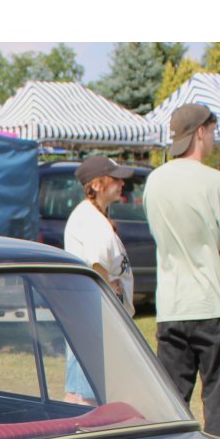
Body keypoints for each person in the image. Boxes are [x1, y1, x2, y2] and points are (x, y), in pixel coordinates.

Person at [144, 103, 220, 439]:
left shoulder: (154, 181)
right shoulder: (217, 182)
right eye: (213, 131)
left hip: (171, 304)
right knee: (219, 401)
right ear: (201, 131)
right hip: (211, 302)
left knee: (170, 404)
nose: (214, 138)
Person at [62, 155, 134, 403]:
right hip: (93, 315)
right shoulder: (91, 220)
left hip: (87, 314)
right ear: (96, 184)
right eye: (115, 180)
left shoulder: (92, 216)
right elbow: (96, 263)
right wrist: (109, 290)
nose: (121, 184)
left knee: (79, 392)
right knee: (87, 398)